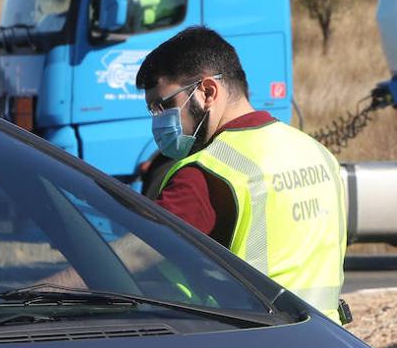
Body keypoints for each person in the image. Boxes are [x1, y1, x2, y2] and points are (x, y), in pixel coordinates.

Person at [136, 27, 348, 320]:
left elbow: (136, 253)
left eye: (165, 106)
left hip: (260, 346)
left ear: (208, 92)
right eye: (152, 111)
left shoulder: (206, 172)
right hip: (330, 339)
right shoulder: (317, 153)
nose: (159, 121)